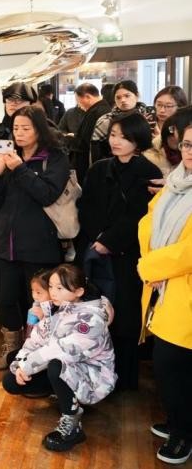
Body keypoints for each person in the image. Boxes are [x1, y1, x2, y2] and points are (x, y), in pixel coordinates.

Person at [77, 112, 161, 390]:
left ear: (138, 140)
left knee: (125, 317)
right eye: (113, 135)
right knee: (95, 313)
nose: (116, 141)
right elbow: (85, 206)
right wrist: (97, 238)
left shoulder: (149, 172)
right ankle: (95, 374)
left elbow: (140, 216)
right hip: (96, 250)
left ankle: (124, 379)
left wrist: (110, 240)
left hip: (128, 256)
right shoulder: (99, 168)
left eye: (124, 137)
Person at [0, 105, 69, 370]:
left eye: (25, 128)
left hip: (39, 243)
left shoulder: (55, 158)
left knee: (40, 302)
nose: (19, 133)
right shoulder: (9, 155)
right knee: (6, 300)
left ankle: (37, 356)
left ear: (39, 130)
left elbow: (47, 195)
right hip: (5, 242)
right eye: (15, 128)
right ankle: (12, 351)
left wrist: (20, 168)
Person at [2, 264, 116, 453]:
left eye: (60, 288)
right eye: (51, 286)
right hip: (67, 368)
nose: (53, 292)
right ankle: (62, 393)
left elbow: (61, 350)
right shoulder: (57, 309)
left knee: (56, 365)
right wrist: (19, 366)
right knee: (11, 381)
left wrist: (29, 366)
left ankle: (72, 426)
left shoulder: (91, 320)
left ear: (78, 291)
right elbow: (34, 341)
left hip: (93, 379)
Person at [137, 120, 192, 465]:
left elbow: (188, 252)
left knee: (173, 364)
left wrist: (152, 266)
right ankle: (177, 421)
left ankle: (183, 434)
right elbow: (149, 220)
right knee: (170, 364)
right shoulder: (176, 182)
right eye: (187, 144)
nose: (190, 152)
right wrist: (152, 261)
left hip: (182, 290)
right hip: (166, 287)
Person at [0, 82, 36, 191]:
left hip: (28, 188)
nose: (13, 104)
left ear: (30, 104)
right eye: (9, 100)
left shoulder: (40, 130)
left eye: (19, 100)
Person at [90, 80, 156, 163]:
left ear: (137, 95)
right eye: (118, 97)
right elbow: (96, 150)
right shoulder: (107, 120)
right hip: (115, 165)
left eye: (127, 96)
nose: (123, 100)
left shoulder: (150, 116)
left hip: (148, 163)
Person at [71, 83, 112, 184]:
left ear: (88, 97)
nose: (79, 105)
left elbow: (87, 141)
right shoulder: (100, 109)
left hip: (90, 164)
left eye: (78, 101)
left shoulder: (97, 112)